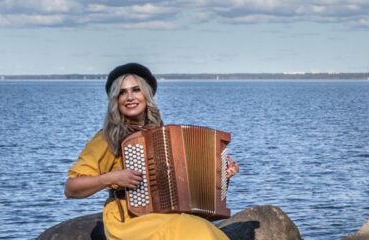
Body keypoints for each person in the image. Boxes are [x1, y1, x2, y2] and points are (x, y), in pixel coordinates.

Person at [65, 63, 239, 240]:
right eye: (122, 92)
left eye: (136, 90)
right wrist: (113, 178)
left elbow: (187, 193)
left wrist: (221, 177)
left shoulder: (160, 134)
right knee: (196, 231)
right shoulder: (107, 137)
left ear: (147, 94)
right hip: (127, 219)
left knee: (204, 229)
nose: (130, 97)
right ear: (115, 100)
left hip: (163, 214)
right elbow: (71, 188)